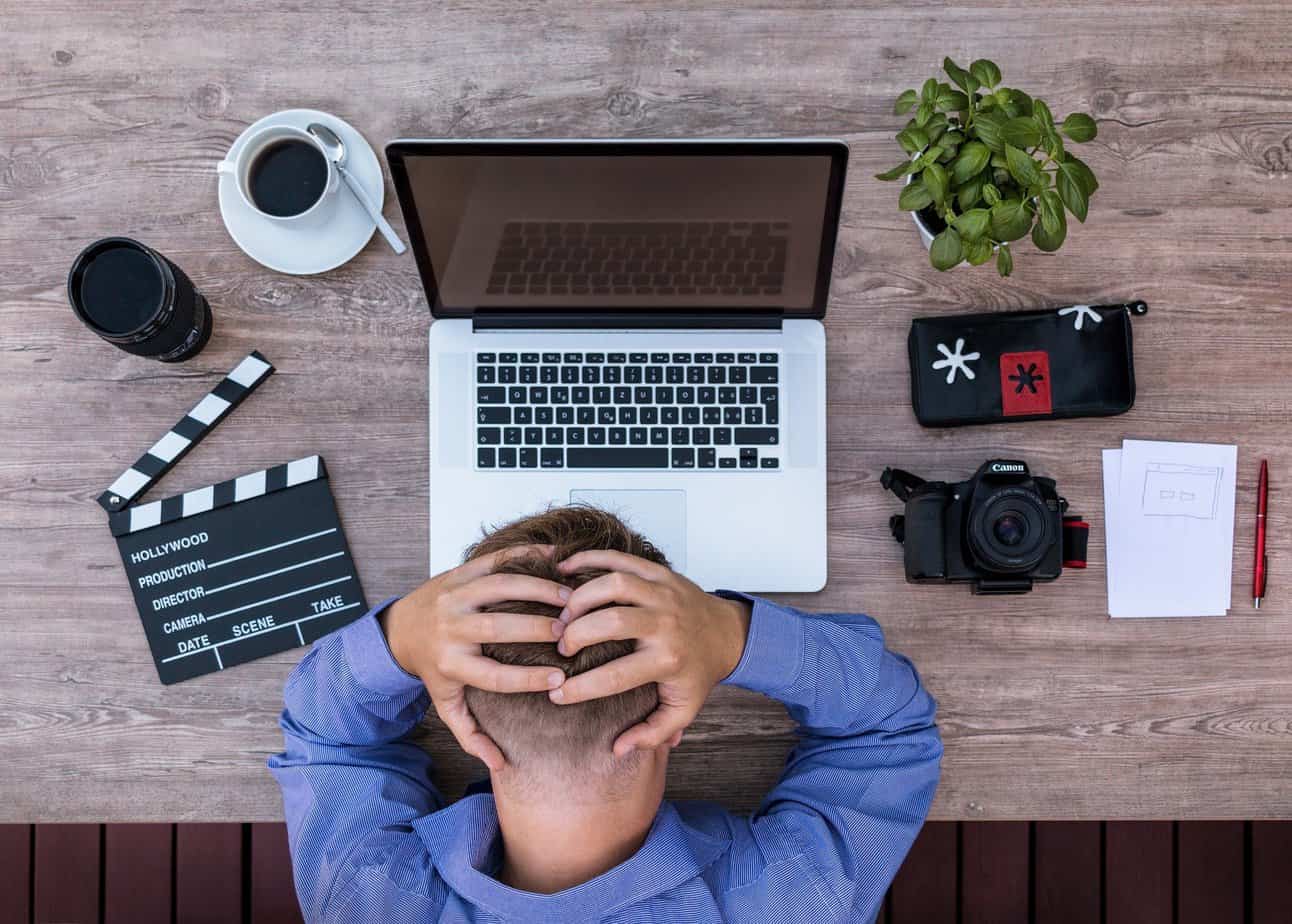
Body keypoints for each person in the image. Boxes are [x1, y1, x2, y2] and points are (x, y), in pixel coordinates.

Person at [269, 506, 942, 923]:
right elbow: (889, 725)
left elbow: (329, 740)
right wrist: (731, 634)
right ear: (672, 724)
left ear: (462, 722)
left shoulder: (367, 900)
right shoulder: (797, 899)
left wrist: (398, 640)